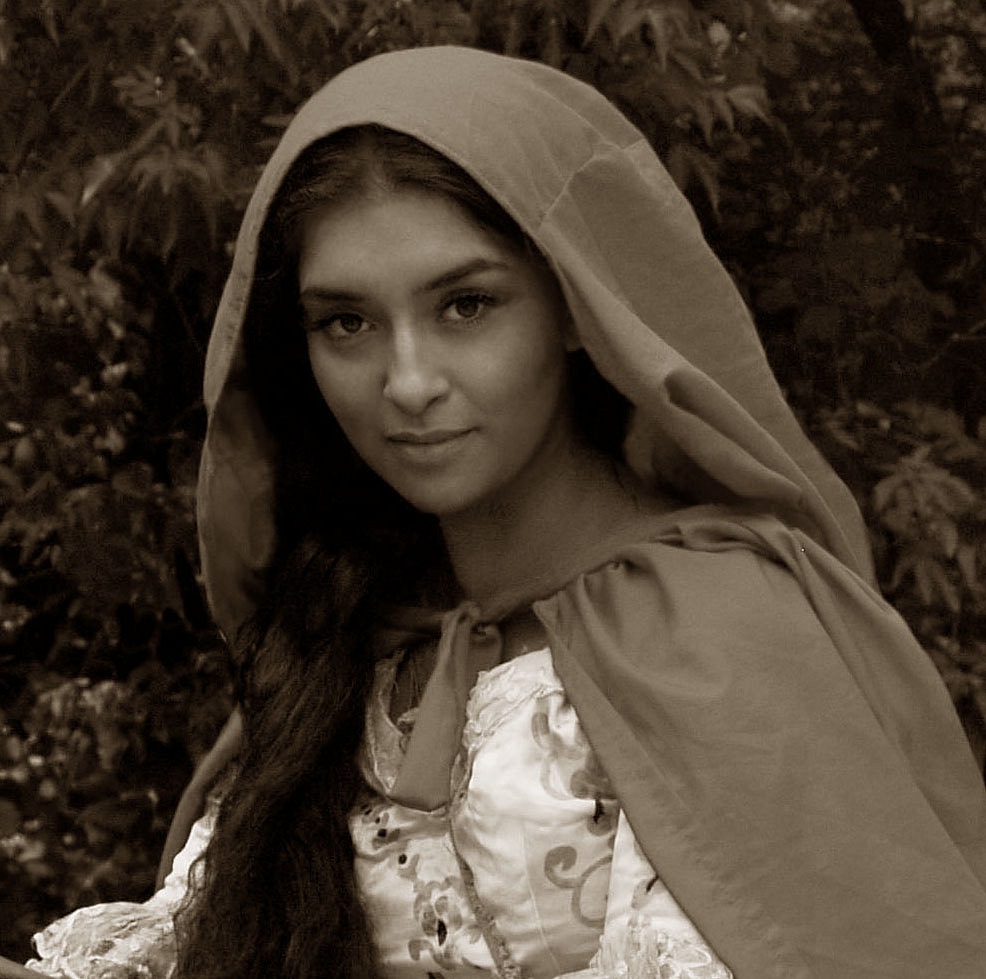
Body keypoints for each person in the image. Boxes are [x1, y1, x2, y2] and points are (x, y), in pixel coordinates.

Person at [7, 44, 986, 979]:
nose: (407, 381)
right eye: (346, 322)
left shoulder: (730, 625)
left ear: (574, 305)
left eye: (465, 305)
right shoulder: (344, 643)